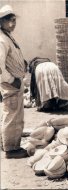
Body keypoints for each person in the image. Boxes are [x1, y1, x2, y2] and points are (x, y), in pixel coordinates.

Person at [0, 5, 28, 158]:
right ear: (0, 22)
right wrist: (11, 80)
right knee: (12, 115)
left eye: (13, 20)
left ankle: (6, 144)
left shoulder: (7, 36)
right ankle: (11, 149)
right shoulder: (1, 39)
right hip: (10, 83)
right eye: (8, 20)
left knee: (12, 114)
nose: (12, 24)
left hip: (15, 81)